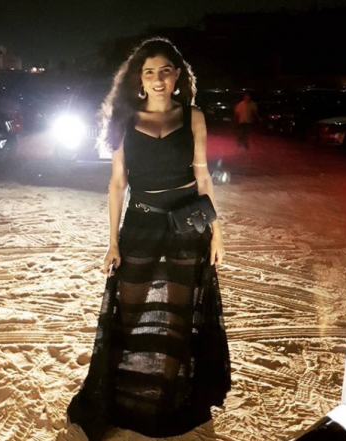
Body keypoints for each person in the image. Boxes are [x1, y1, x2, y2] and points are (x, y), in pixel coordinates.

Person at [66, 37, 231, 441]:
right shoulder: (125, 120)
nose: (158, 80)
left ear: (177, 77)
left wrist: (217, 233)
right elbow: (117, 184)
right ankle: (122, 396)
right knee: (131, 309)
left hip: (187, 225)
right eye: (149, 72)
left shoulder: (193, 117)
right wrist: (112, 242)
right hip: (140, 225)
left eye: (165, 71)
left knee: (179, 312)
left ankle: (172, 396)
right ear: (139, 79)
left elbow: (203, 177)